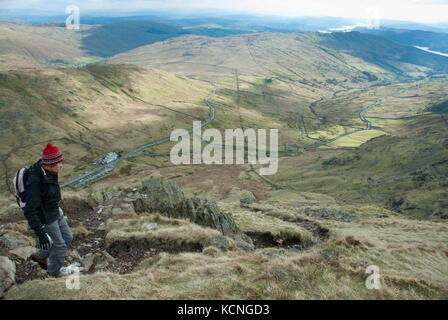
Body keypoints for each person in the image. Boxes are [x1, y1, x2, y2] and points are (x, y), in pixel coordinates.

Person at [24, 143, 73, 277]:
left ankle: (41, 255)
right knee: (60, 246)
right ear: (51, 164)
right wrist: (41, 233)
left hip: (56, 211)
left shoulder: (50, 172)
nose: (61, 165)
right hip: (47, 218)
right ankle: (52, 274)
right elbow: (29, 210)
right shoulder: (35, 181)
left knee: (68, 237)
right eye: (59, 163)